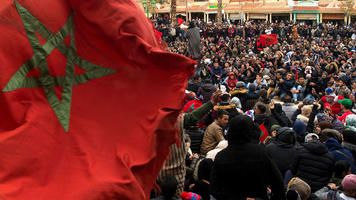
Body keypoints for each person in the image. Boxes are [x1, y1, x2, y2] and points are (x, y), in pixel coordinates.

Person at [210, 115, 285, 200]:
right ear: (250, 130)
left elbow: (215, 189)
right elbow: (278, 182)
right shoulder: (261, 153)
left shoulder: (221, 157)